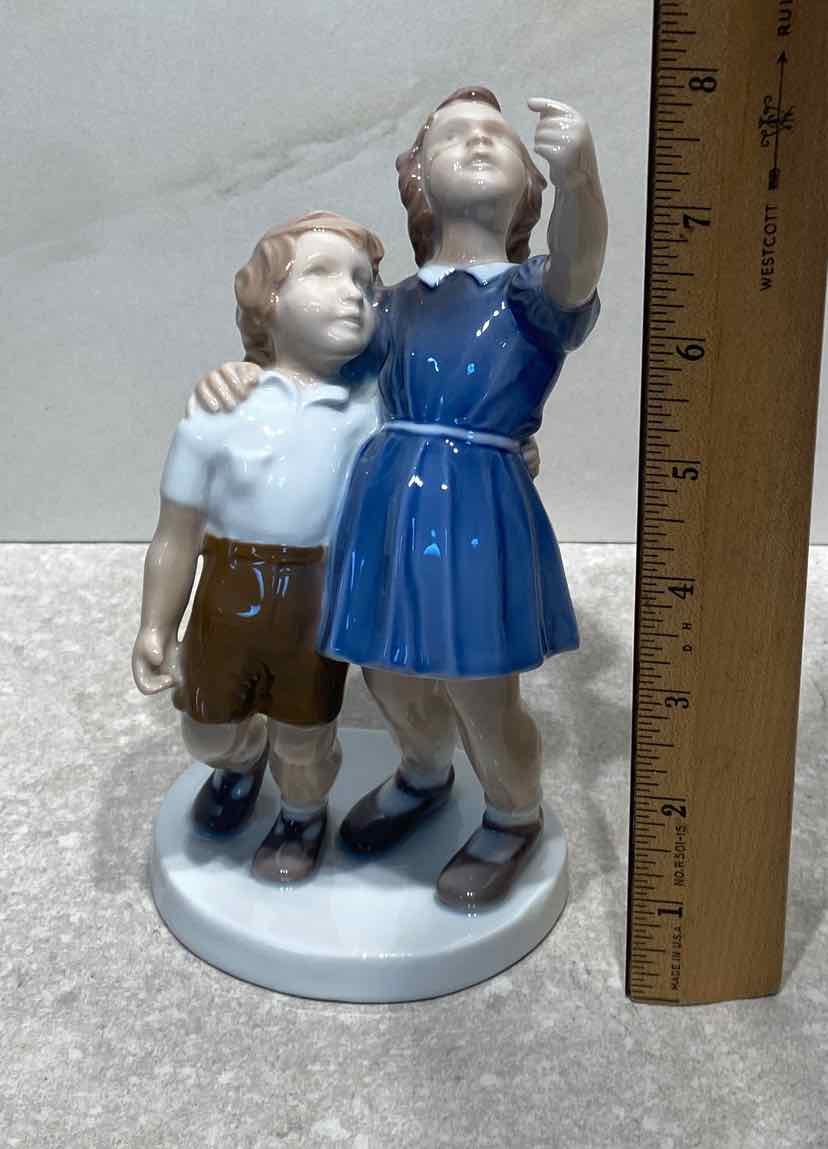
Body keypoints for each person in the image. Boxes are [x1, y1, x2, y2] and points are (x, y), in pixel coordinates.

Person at [192, 86, 606, 909]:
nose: (479, 141)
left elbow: (578, 264)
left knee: (481, 688)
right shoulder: (390, 305)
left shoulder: (529, 295)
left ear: (531, 183)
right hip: (385, 510)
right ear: (417, 178)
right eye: (453, 136)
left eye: (497, 135)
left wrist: (584, 182)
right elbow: (311, 363)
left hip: (475, 511)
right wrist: (245, 372)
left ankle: (513, 812)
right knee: (388, 677)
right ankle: (424, 771)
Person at [132, 212, 383, 882]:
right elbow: (176, 532)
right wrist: (156, 624)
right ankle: (240, 763)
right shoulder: (220, 407)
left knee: (305, 736)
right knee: (205, 727)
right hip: (229, 588)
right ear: (267, 297)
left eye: (364, 282)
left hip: (315, 595)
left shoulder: (370, 409)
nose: (352, 293)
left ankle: (302, 815)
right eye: (322, 272)